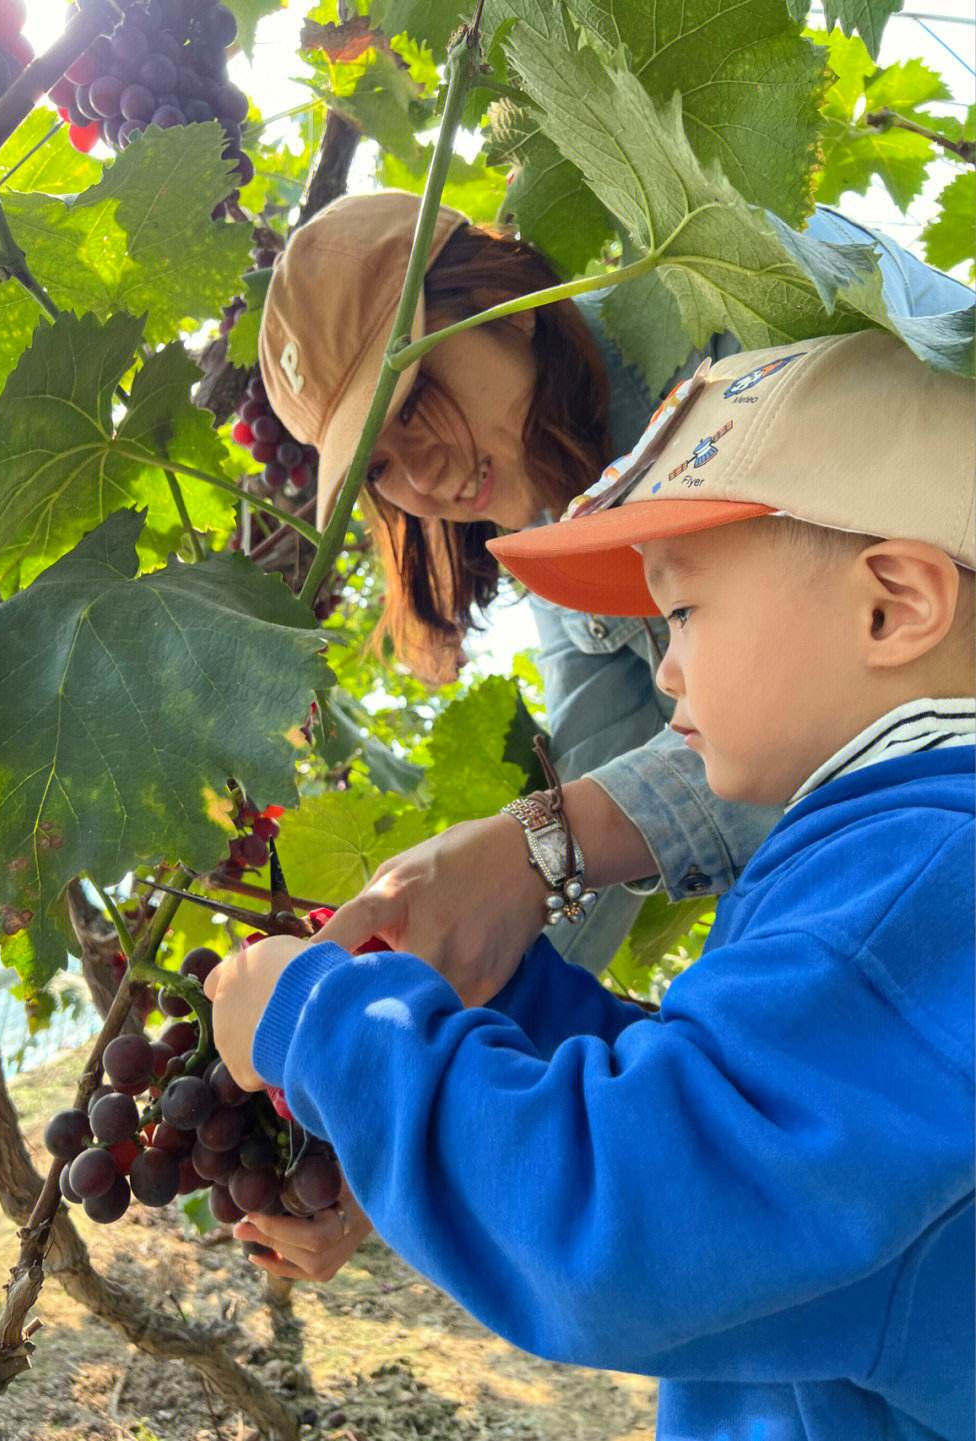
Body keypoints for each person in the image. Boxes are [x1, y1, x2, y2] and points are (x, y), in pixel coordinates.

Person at [208, 329, 975, 1441]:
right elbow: (740, 1108)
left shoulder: (921, 883)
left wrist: (322, 1023)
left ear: (892, 605)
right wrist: (516, 1002)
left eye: (686, 612)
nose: (660, 667)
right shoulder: (897, 871)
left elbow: (634, 1220)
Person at [260, 189, 975, 986]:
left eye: (418, 397)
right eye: (381, 465)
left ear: (503, 305)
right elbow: (602, 774)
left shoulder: (730, 301)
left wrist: (533, 847)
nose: (420, 475)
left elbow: (841, 685)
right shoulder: (558, 531)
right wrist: (459, 989)